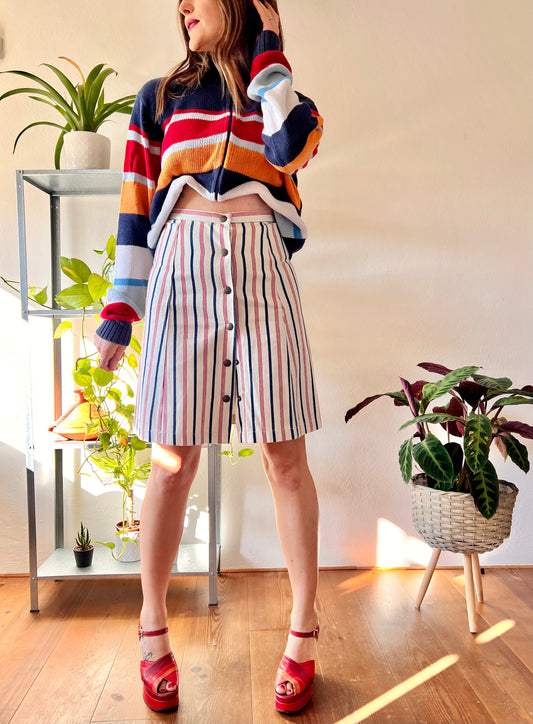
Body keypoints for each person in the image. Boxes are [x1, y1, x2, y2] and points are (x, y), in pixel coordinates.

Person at [94, 0, 323, 714]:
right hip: (180, 269)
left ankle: (304, 632)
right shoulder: (158, 99)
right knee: (172, 463)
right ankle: (151, 629)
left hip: (262, 271)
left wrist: (270, 55)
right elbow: (136, 205)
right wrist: (119, 312)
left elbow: (292, 152)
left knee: (284, 457)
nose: (184, 6)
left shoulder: (286, 99)